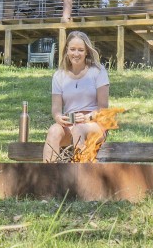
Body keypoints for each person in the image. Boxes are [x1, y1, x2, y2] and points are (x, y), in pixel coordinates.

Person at [43, 30, 109, 163]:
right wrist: (58, 117)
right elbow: (56, 108)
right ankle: (48, 178)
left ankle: (80, 176)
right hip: (70, 123)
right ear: (67, 50)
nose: (76, 54)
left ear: (86, 52)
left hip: (94, 124)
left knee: (79, 129)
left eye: (80, 50)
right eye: (72, 49)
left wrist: (87, 117)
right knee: (53, 130)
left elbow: (103, 109)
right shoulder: (59, 75)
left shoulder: (98, 71)